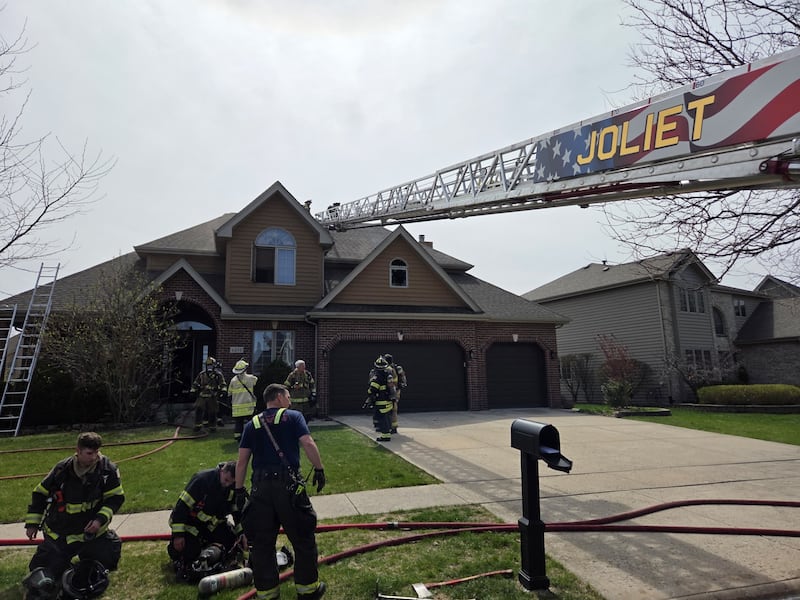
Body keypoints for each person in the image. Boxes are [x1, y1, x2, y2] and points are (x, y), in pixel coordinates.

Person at [235, 383, 327, 600]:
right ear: (277, 397)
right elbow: (308, 442)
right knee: (303, 538)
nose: (290, 400)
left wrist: (239, 490)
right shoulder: (293, 417)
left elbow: (241, 462)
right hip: (288, 487)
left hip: (260, 490)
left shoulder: (252, 424)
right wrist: (319, 469)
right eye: (287, 396)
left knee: (262, 544)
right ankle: (308, 591)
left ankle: (267, 594)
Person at [23, 432, 125, 600]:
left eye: (97, 452)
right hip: (61, 532)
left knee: (106, 562)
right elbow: (40, 494)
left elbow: (115, 498)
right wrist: (32, 524)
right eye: (89, 453)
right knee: (43, 571)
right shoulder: (61, 470)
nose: (94, 458)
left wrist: (99, 520)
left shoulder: (107, 470)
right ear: (77, 450)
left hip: (90, 532)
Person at [167, 461, 244, 582]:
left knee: (230, 540)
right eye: (226, 480)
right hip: (190, 525)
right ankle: (176, 551)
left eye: (231, 482)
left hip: (209, 526)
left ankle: (206, 546)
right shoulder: (202, 480)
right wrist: (178, 535)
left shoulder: (232, 487)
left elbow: (236, 512)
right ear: (222, 471)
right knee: (190, 552)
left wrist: (241, 534)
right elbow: (181, 507)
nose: (227, 484)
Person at [191, 356, 227, 432]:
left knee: (212, 412)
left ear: (214, 365)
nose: (209, 367)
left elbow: (223, 384)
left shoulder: (218, 375)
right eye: (208, 365)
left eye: (210, 365)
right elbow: (196, 383)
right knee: (198, 409)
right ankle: (197, 425)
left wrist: (223, 391)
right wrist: (193, 391)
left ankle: (212, 427)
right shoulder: (202, 374)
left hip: (213, 396)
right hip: (202, 395)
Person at [366, 355, 396, 442]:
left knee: (381, 419)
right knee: (387, 418)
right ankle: (387, 433)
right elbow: (392, 388)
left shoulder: (377, 376)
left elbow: (372, 390)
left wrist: (370, 396)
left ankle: (385, 436)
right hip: (389, 401)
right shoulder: (389, 375)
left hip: (380, 402)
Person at [228, 359, 259, 441]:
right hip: (248, 405)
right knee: (251, 422)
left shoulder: (233, 380)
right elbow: (256, 381)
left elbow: (229, 393)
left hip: (237, 406)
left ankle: (238, 437)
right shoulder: (251, 378)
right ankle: (252, 436)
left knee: (238, 423)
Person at [383, 354, 407, 434]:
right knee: (394, 409)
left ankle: (392, 427)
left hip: (391, 392)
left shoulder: (388, 370)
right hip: (396, 391)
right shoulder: (397, 368)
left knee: (391, 409)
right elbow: (404, 379)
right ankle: (393, 427)